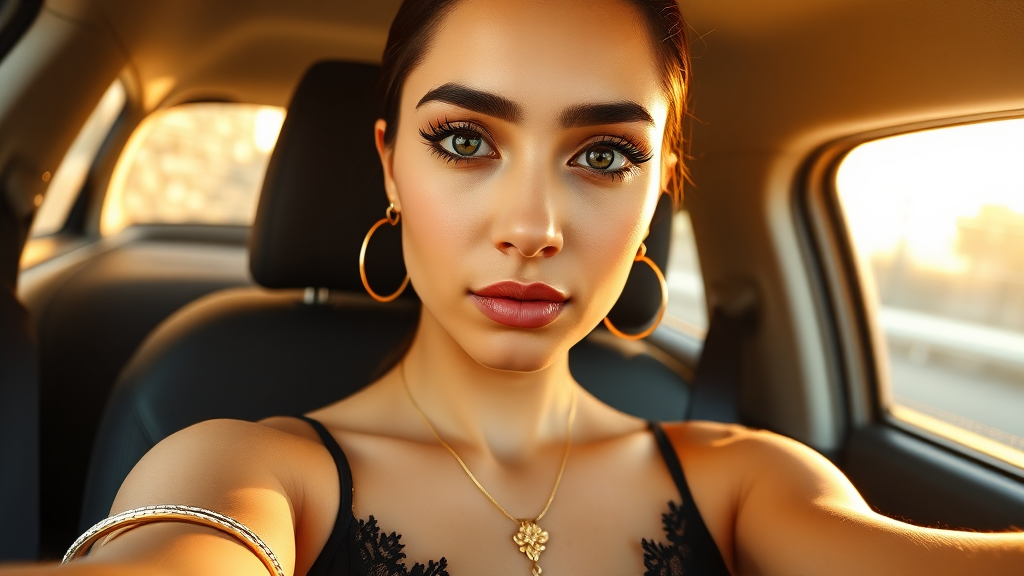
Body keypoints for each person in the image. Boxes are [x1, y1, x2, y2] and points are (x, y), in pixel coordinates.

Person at [6, 0, 1024, 574]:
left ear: (657, 192)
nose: (533, 227)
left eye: (604, 156)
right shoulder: (245, 469)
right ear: (391, 166)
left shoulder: (749, 482)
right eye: (463, 141)